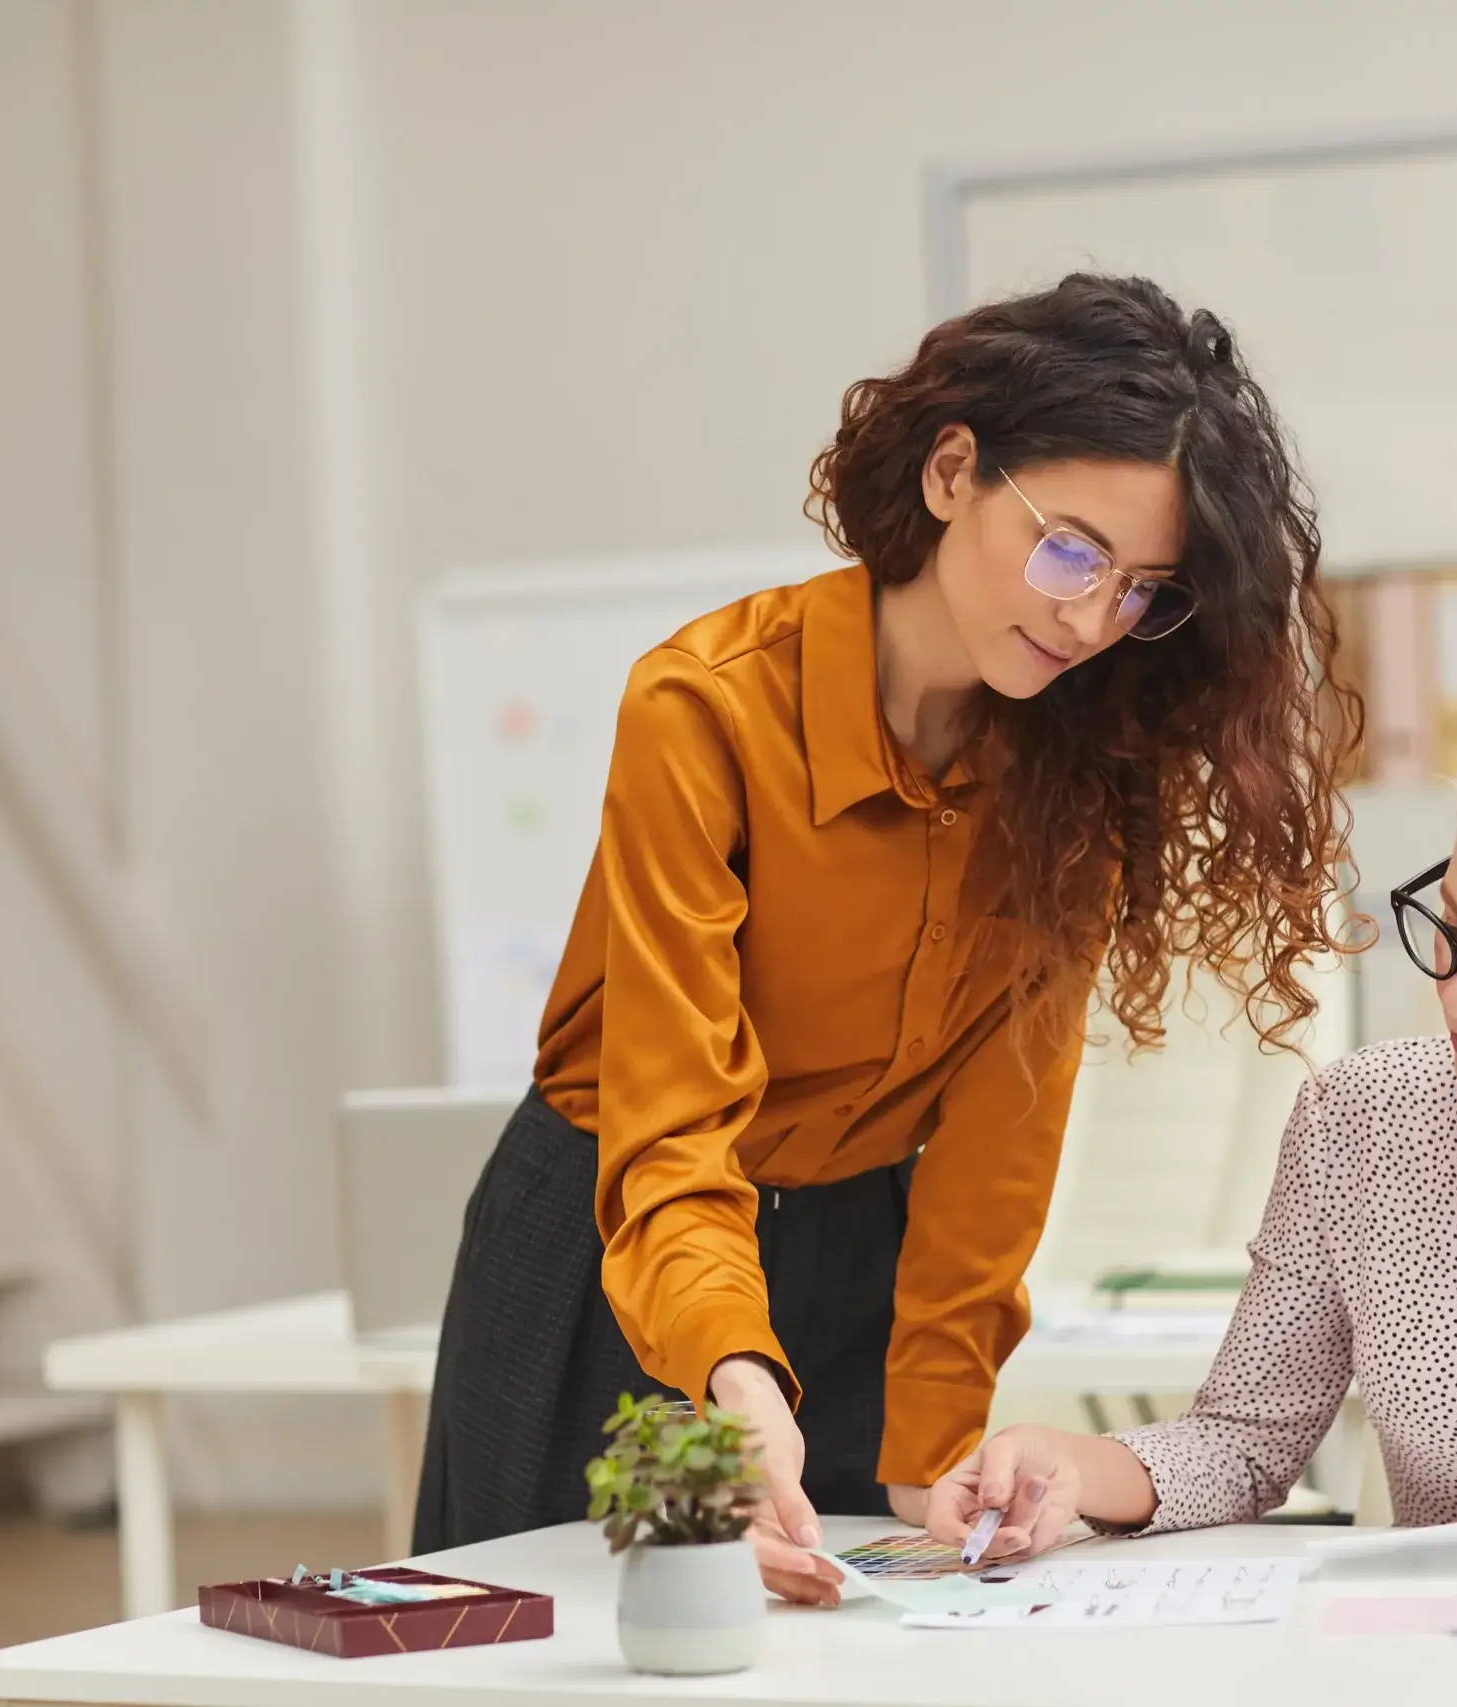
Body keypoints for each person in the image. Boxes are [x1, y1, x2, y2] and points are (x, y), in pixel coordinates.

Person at [413, 274, 1358, 1601]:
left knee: (858, 1639)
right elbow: (671, 1118)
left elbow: (997, 1139)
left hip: (864, 1251)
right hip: (613, 1243)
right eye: (1071, 551)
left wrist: (931, 1450)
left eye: (1142, 589)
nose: (1092, 620)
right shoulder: (708, 708)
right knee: (552, 1648)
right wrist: (734, 1375)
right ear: (952, 469)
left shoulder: (1076, 772)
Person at [924, 693, 1457, 1558]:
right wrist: (1068, 1464)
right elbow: (1241, 1443)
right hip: (1449, 1644)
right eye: (1453, 929)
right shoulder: (1360, 1121)